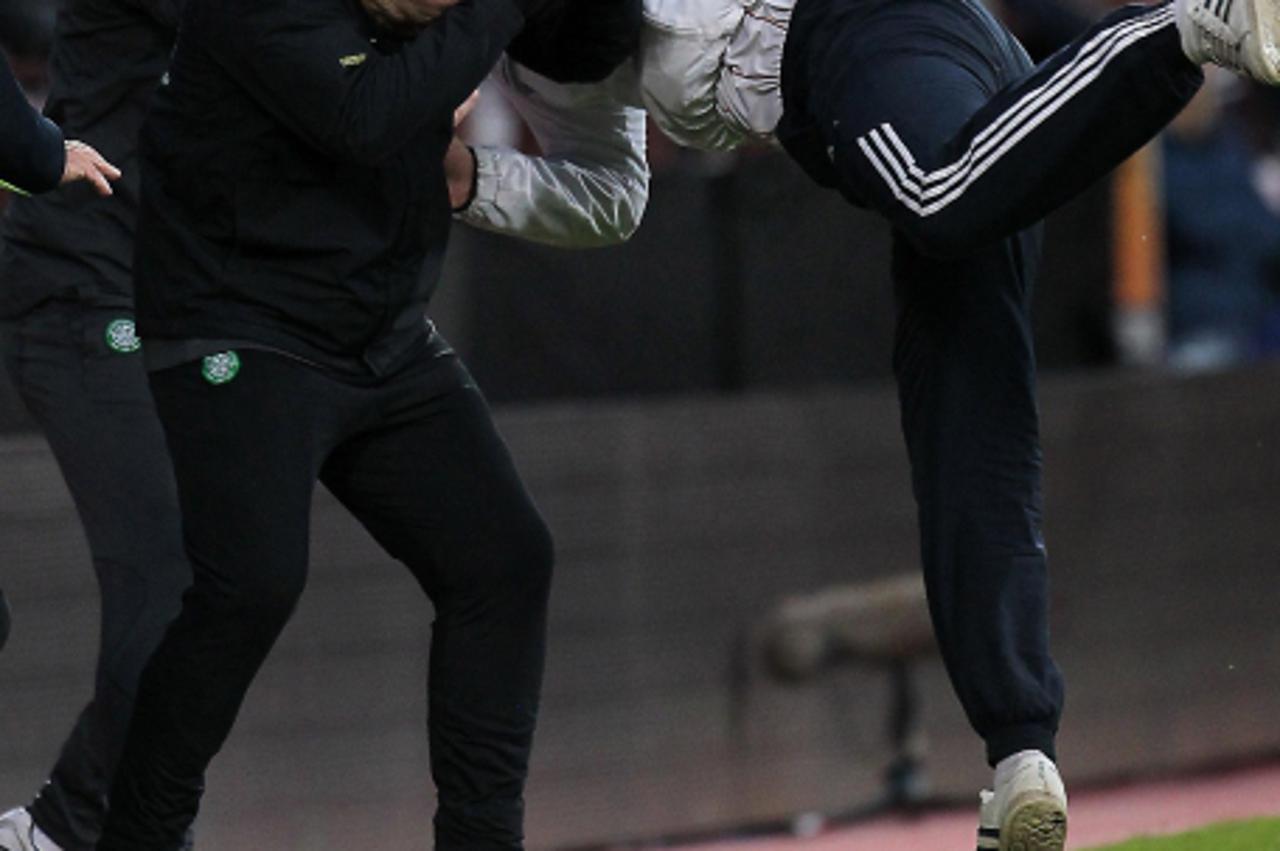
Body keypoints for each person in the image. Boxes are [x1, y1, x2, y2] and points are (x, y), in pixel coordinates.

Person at [443, 0, 1278, 847]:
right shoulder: (526, 55)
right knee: (965, 417)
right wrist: (473, 180)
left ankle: (1181, 30)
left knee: (936, 196)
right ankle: (1021, 752)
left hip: (862, 29)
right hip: (877, 103)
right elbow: (611, 194)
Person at [89, 0, 639, 848]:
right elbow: (364, 117)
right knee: (250, 587)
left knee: (503, 560)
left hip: (381, 335)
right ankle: (139, 836)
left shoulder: (430, 25)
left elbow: (566, 49)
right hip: (240, 324)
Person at [0, 5, 186, 851]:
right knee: (181, 589)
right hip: (84, 288)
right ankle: (65, 829)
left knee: (236, 584)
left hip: (176, 296)